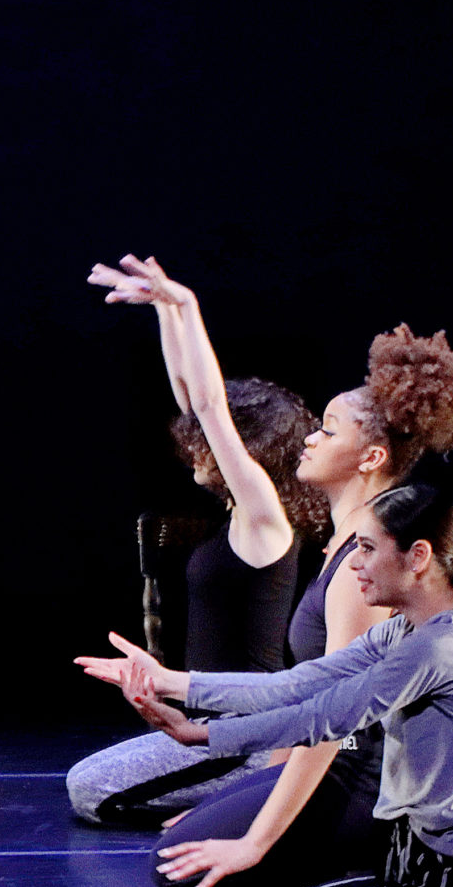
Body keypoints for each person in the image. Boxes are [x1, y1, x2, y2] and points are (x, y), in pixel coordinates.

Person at [83, 483, 453, 887]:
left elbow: (323, 718)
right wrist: (171, 682)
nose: (355, 563)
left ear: (418, 556)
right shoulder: (401, 632)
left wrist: (197, 734)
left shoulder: (443, 648)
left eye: (369, 548)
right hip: (411, 871)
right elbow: (298, 684)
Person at [131, 303, 453, 887]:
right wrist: (197, 722)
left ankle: (378, 865)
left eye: (328, 430)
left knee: (177, 872)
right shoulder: (343, 541)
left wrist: (256, 843)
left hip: (366, 779)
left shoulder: (366, 563)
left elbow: (335, 720)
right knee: (180, 845)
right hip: (340, 760)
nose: (309, 438)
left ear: (369, 459)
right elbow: (307, 686)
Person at [66, 255, 320, 826]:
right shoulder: (239, 514)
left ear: (247, 451)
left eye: (213, 441)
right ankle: (248, 793)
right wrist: (163, 313)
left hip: (249, 737)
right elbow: (191, 396)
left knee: (89, 790)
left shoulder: (265, 521)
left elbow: (209, 407)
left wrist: (186, 304)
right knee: (86, 783)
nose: (194, 449)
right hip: (216, 725)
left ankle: (264, 788)